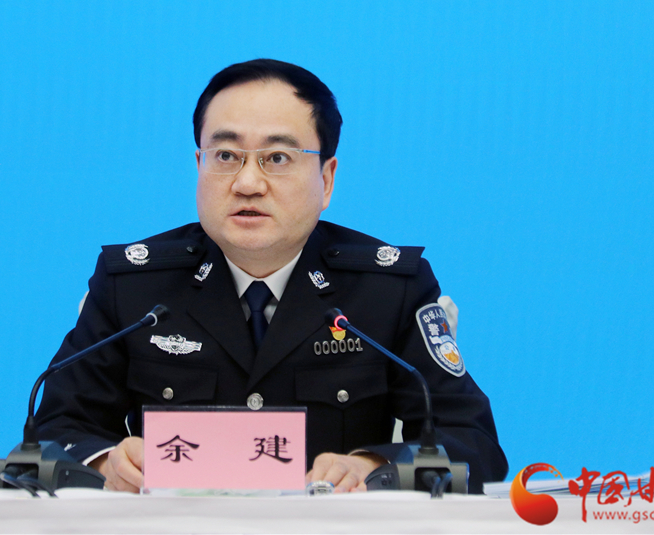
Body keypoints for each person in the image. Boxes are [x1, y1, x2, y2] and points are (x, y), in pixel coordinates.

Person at [34, 59, 508, 493]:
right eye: (225, 156)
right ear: (199, 166)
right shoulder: (134, 286)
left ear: (326, 179)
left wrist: (372, 466)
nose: (247, 183)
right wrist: (105, 464)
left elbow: (472, 442)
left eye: (277, 158)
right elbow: (50, 436)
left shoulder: (389, 289)